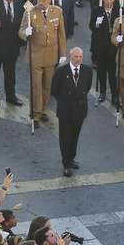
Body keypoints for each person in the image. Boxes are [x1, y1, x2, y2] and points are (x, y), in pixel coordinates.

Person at [51, 46, 92, 176]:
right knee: (65, 137)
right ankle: (66, 163)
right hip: (65, 109)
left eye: (80, 57)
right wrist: (63, 101)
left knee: (75, 136)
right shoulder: (61, 71)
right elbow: (54, 89)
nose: (77, 59)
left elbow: (87, 87)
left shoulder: (87, 70)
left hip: (80, 109)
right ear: (70, 57)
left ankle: (71, 158)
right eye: (75, 56)